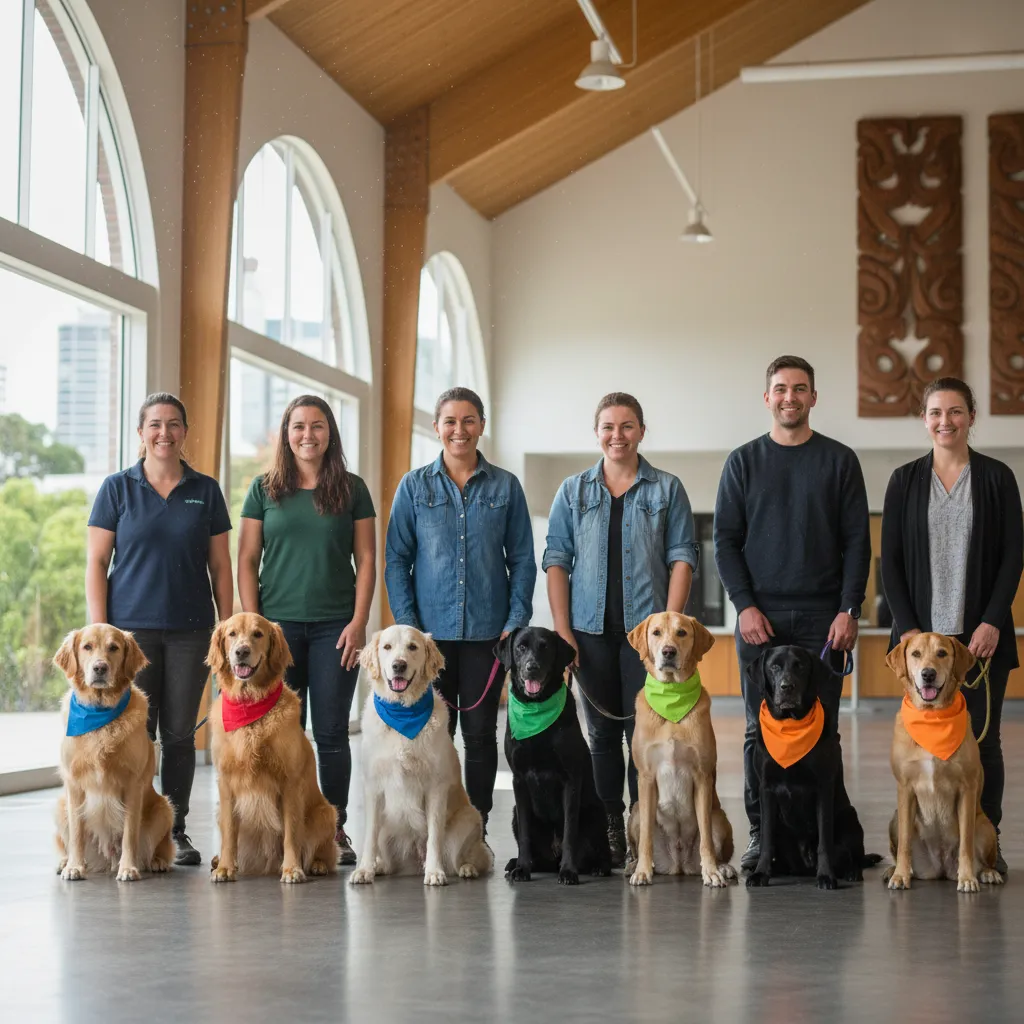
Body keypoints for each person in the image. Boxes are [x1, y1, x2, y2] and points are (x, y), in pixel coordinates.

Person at [714, 356, 870, 873]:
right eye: (780, 389)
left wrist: (849, 610)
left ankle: (826, 845)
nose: (789, 397)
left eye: (799, 389)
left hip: (824, 620)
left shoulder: (839, 461)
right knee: (760, 732)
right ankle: (763, 837)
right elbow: (725, 543)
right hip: (761, 621)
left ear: (813, 398)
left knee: (823, 732)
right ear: (767, 398)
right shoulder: (742, 462)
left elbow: (857, 543)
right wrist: (745, 606)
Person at [544, 392, 699, 867]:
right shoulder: (573, 492)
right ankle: (612, 824)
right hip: (588, 633)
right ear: (597, 433)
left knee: (643, 732)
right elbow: (555, 560)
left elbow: (683, 557)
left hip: (646, 639)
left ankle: (642, 824)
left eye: (627, 426)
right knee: (602, 736)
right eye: (608, 427)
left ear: (641, 432)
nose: (617, 435)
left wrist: (667, 632)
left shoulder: (667, 489)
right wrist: (562, 630)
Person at [881, 377, 1022, 875]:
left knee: (983, 744)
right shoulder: (903, 481)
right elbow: (890, 562)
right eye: (937, 412)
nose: (946, 421)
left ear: (971, 418)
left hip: (979, 641)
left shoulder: (998, 478)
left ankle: (986, 845)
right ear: (925, 420)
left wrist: (991, 622)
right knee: (919, 746)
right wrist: (910, 634)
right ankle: (921, 847)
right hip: (923, 644)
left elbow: (1012, 557)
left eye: (956, 412)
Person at [86, 392, 233, 866]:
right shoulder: (116, 489)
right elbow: (96, 560)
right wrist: (99, 627)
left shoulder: (205, 490)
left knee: (178, 734)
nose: (164, 433)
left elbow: (220, 565)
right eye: (154, 424)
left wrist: (227, 629)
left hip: (192, 631)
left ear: (185, 432)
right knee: (132, 732)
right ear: (141, 433)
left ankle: (175, 829)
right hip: (130, 637)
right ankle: (123, 830)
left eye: (173, 424)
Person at [385, 386, 536, 835]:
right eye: (450, 421)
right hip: (428, 640)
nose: (459, 430)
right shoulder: (413, 487)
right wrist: (409, 626)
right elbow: (396, 559)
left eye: (468, 420)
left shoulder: (506, 486)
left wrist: (514, 623)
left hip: (489, 636)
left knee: (479, 734)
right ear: (436, 428)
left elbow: (523, 560)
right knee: (432, 735)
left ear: (481, 426)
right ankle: (431, 827)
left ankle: (477, 825)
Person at [238, 395, 376, 866]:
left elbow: (368, 559)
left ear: (330, 433)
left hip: (336, 628)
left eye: (317, 426)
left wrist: (359, 623)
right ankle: (282, 831)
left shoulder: (352, 489)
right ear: (286, 433)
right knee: (280, 733)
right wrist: (256, 631)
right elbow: (247, 560)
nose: (307, 435)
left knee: (332, 732)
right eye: (298, 426)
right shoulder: (264, 489)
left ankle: (333, 831)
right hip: (276, 635)